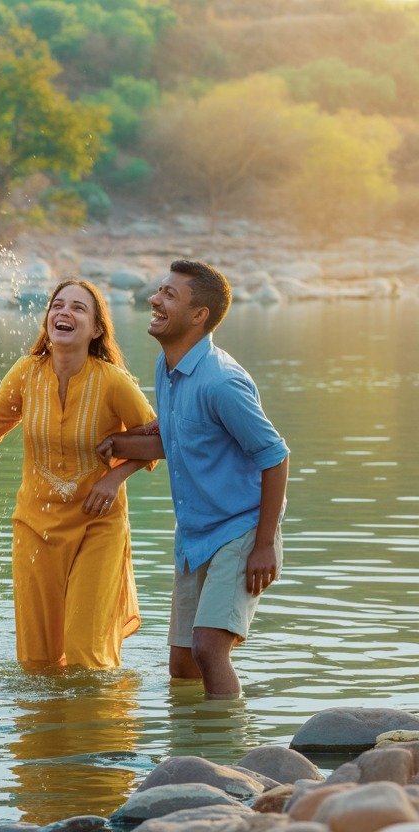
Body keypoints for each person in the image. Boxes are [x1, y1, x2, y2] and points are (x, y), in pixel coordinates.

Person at [98, 260, 289, 699]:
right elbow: (180, 441)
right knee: (182, 664)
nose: (154, 299)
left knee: (208, 648)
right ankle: (190, 754)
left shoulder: (221, 382)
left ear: (198, 315)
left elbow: (275, 457)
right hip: (195, 535)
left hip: (241, 530)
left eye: (168, 295)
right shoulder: (166, 371)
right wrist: (117, 444)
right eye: (159, 291)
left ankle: (230, 756)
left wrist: (263, 545)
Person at [0, 279, 156, 670]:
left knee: (86, 656)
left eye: (78, 308)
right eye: (57, 305)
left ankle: (98, 729)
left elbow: (160, 441)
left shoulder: (114, 382)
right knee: (37, 661)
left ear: (96, 330)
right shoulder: (26, 374)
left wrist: (114, 478)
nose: (64, 312)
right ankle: (45, 732)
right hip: (35, 528)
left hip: (97, 526)